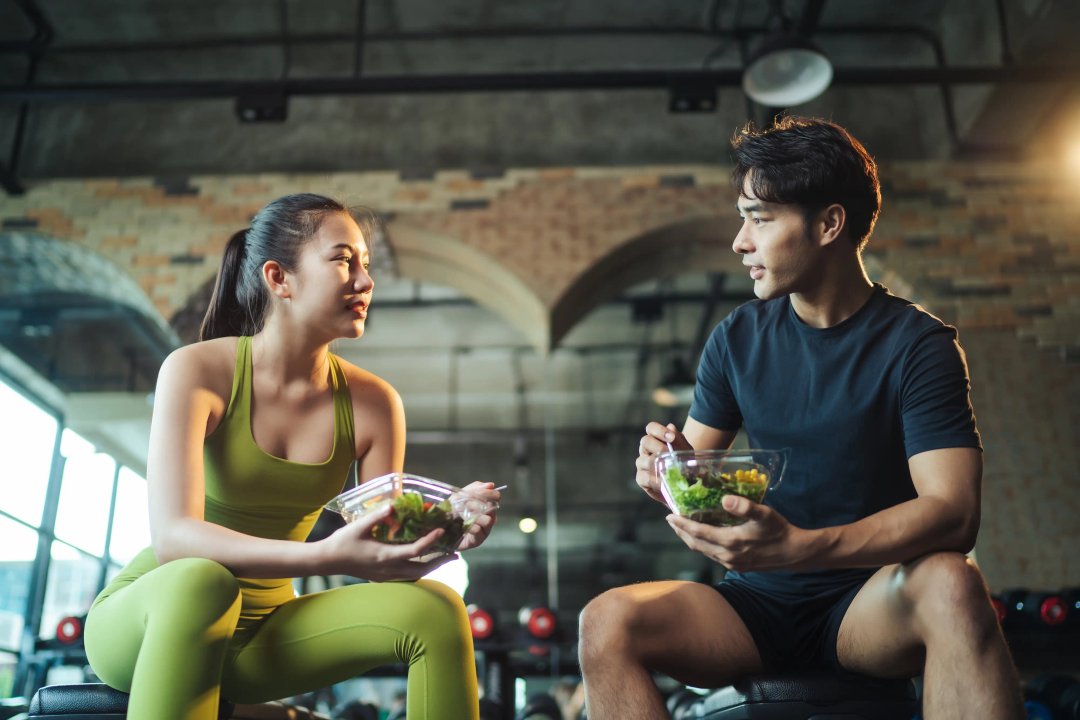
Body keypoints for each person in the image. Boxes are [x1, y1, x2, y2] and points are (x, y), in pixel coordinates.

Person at [577, 117, 1024, 720]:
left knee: (953, 581)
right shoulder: (736, 338)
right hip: (755, 607)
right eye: (744, 218)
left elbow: (954, 512)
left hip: (869, 602)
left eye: (759, 218)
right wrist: (665, 471)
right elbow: (691, 479)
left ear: (828, 224)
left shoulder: (918, 345)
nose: (740, 241)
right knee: (606, 620)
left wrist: (802, 549)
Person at [83, 193, 500, 720]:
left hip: (266, 634)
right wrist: (324, 557)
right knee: (202, 578)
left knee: (438, 609)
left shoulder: (375, 405)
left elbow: (380, 557)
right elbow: (173, 539)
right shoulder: (195, 371)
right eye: (344, 260)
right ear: (279, 278)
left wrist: (444, 529)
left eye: (366, 266)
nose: (366, 282)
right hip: (155, 619)